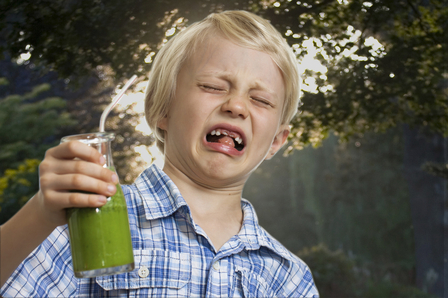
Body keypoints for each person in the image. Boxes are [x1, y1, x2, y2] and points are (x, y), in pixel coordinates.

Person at [0, 10, 319, 297]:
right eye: (212, 86)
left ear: (276, 141)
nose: (236, 106)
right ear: (163, 109)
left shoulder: (288, 279)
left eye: (261, 100)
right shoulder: (91, 220)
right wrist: (39, 213)